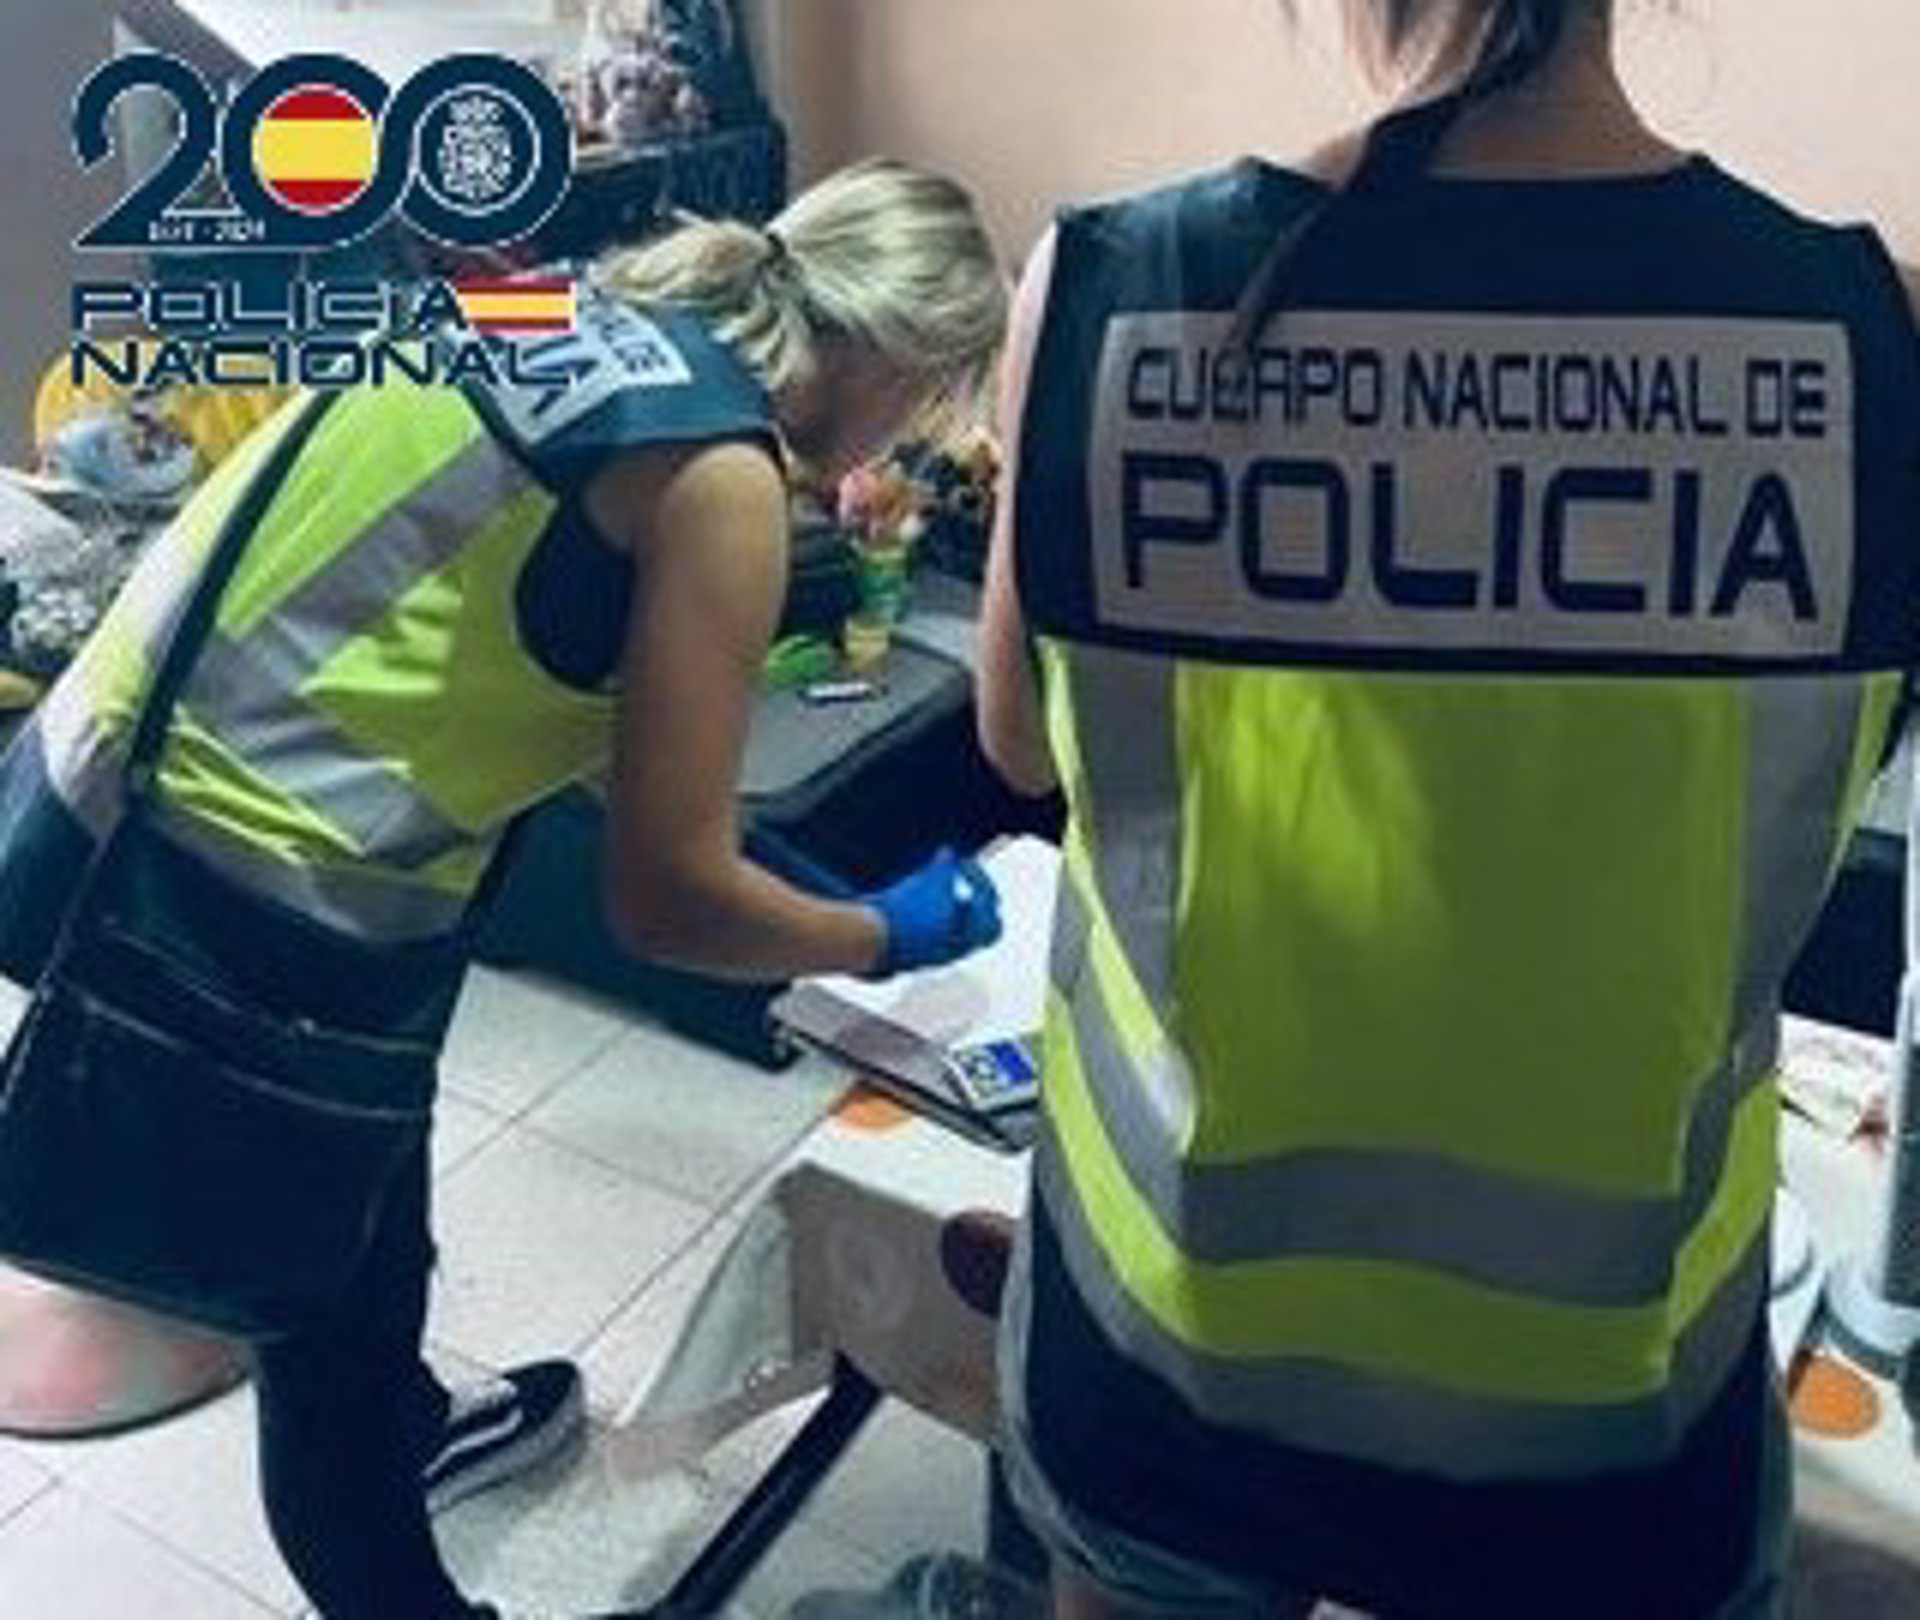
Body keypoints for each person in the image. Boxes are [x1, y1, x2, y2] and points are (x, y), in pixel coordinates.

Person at [978, 3, 1920, 1616]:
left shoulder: (1111, 284)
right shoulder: (1868, 332)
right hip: (1614, 1426)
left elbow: (1014, 744)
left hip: (1166, 1368)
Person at [0, 158, 1008, 1619]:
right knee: (326, 1330)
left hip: (95, 773)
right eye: (931, 402)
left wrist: (778, 869)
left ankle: (416, 1421)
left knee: (369, 1212)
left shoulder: (545, 308)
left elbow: (526, 649)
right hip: (236, 889)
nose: (912, 437)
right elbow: (664, 907)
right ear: (903, 361)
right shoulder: (719, 477)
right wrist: (878, 935)